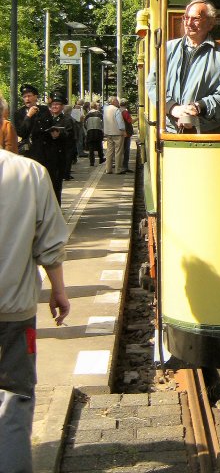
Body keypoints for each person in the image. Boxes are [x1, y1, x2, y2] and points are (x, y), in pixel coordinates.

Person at [0, 149, 70, 473]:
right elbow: (50, 245)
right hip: (13, 312)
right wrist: (58, 290)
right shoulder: (30, 173)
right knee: (14, 400)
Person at [147, 0, 220, 133]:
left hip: (205, 133)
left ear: (210, 23)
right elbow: (152, 84)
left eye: (195, 19)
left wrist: (198, 107)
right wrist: (173, 108)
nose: (188, 23)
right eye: (186, 18)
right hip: (169, 132)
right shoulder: (167, 49)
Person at [40, 90, 74, 204]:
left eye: (57, 104)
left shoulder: (67, 120)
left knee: (56, 186)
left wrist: (60, 135)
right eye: (53, 104)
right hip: (46, 156)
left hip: (59, 157)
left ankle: (56, 210)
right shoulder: (46, 119)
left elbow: (70, 136)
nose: (54, 106)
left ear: (62, 106)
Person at [13, 84, 50, 162]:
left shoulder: (44, 110)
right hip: (28, 151)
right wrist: (28, 116)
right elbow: (21, 132)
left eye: (29, 96)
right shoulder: (19, 113)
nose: (27, 99)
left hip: (44, 150)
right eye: (24, 97)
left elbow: (49, 127)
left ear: (35, 97)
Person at [103, 96, 126, 174]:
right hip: (117, 133)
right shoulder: (116, 110)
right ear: (113, 101)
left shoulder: (105, 110)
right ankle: (118, 169)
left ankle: (108, 169)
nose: (118, 102)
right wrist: (123, 130)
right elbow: (120, 122)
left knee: (109, 151)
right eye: (116, 100)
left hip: (108, 132)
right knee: (118, 151)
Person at [84, 102, 105, 166]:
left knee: (91, 147)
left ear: (90, 107)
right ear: (96, 107)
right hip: (98, 131)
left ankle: (91, 162)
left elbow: (85, 124)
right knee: (99, 146)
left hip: (90, 132)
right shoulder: (100, 114)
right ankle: (101, 159)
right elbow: (103, 124)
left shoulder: (87, 115)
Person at [119, 99, 134, 173]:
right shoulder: (125, 112)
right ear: (126, 104)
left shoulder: (118, 110)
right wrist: (139, 117)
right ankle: (125, 166)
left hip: (119, 133)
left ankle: (119, 165)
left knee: (120, 150)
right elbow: (130, 121)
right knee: (126, 150)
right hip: (126, 133)